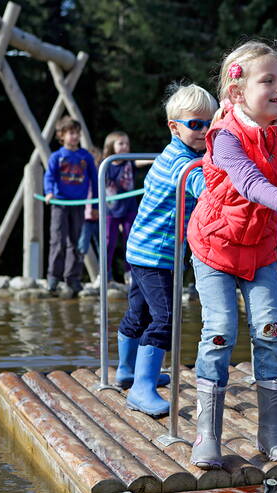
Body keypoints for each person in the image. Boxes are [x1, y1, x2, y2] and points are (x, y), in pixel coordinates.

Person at [186, 41, 277, 470]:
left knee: (270, 330)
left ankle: (271, 435)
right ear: (236, 92)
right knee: (221, 330)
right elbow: (250, 183)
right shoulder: (224, 136)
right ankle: (206, 435)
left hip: (261, 248)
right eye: (268, 80)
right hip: (215, 247)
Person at [116, 83, 218, 415]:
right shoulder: (183, 163)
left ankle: (128, 370)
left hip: (142, 250)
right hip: (157, 256)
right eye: (195, 124)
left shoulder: (178, 154)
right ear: (174, 126)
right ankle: (141, 389)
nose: (204, 131)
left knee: (140, 312)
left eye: (210, 123)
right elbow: (206, 189)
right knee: (166, 317)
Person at [44, 116, 98, 296]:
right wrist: (49, 192)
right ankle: (53, 277)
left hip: (79, 204)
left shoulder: (85, 157)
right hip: (60, 204)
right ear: (62, 136)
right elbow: (49, 176)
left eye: (77, 133)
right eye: (70, 133)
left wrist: (96, 201)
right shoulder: (56, 157)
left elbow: (95, 180)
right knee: (57, 241)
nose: (74, 136)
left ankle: (73, 277)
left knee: (76, 242)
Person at [101, 131, 140, 283]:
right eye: (121, 143)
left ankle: (129, 273)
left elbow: (142, 161)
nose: (125, 146)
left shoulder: (130, 162)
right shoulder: (106, 164)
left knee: (130, 241)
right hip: (110, 211)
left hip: (129, 209)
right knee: (108, 242)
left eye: (127, 144)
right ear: (111, 146)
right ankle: (105, 274)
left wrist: (158, 157)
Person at [77, 146, 101, 273]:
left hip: (99, 217)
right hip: (86, 218)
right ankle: (76, 275)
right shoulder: (82, 177)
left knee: (103, 248)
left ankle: (106, 276)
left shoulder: (102, 176)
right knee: (82, 246)